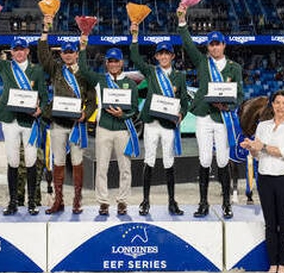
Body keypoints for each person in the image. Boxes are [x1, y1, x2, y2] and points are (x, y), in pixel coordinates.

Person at [176, 5, 243, 218]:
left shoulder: (235, 68)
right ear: (208, 47)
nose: (214, 48)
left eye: (217, 44)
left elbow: (239, 95)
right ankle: (203, 203)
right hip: (204, 116)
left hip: (222, 118)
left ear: (224, 45)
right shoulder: (202, 62)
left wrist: (229, 106)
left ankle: (226, 203)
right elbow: (187, 42)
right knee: (204, 159)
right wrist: (182, 21)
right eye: (211, 45)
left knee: (223, 159)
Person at [0, 19, 48, 215]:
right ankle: (13, 202)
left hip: (29, 120)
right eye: (15, 49)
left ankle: (32, 202)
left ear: (27, 52)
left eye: (21, 49)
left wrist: (40, 109)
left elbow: (44, 95)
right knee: (13, 160)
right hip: (10, 120)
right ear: (11, 51)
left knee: (32, 160)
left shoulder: (37, 71)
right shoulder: (5, 67)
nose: (18, 52)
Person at [37, 14, 96, 214]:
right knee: (59, 161)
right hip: (58, 125)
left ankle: (77, 200)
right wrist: (45, 31)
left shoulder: (85, 73)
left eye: (71, 52)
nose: (68, 55)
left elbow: (93, 100)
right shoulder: (56, 70)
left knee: (77, 161)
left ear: (77, 54)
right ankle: (58, 200)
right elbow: (43, 56)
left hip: (77, 126)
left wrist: (85, 114)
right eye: (65, 52)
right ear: (61, 54)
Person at [240, 90, 284, 273]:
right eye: (277, 103)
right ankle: (272, 264)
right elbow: (257, 154)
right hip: (265, 178)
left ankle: (283, 264)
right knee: (270, 224)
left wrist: (264, 147)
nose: (280, 106)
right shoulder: (262, 126)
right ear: (272, 105)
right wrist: (252, 148)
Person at [129, 24, 189, 215]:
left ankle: (172, 201)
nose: (163, 57)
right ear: (156, 57)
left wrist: (182, 114)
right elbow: (135, 58)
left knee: (169, 162)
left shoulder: (180, 77)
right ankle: (145, 201)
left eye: (167, 54)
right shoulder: (151, 71)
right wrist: (135, 36)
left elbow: (185, 102)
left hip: (168, 125)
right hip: (151, 123)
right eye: (160, 54)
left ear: (172, 56)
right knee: (149, 160)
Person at [77, 40, 139, 215]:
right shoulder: (99, 80)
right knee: (102, 167)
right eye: (110, 61)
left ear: (122, 63)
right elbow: (83, 69)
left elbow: (134, 109)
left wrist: (123, 115)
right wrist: (82, 49)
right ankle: (103, 202)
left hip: (122, 130)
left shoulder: (131, 84)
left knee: (125, 167)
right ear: (106, 63)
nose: (113, 64)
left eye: (116, 61)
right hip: (103, 128)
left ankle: (122, 201)